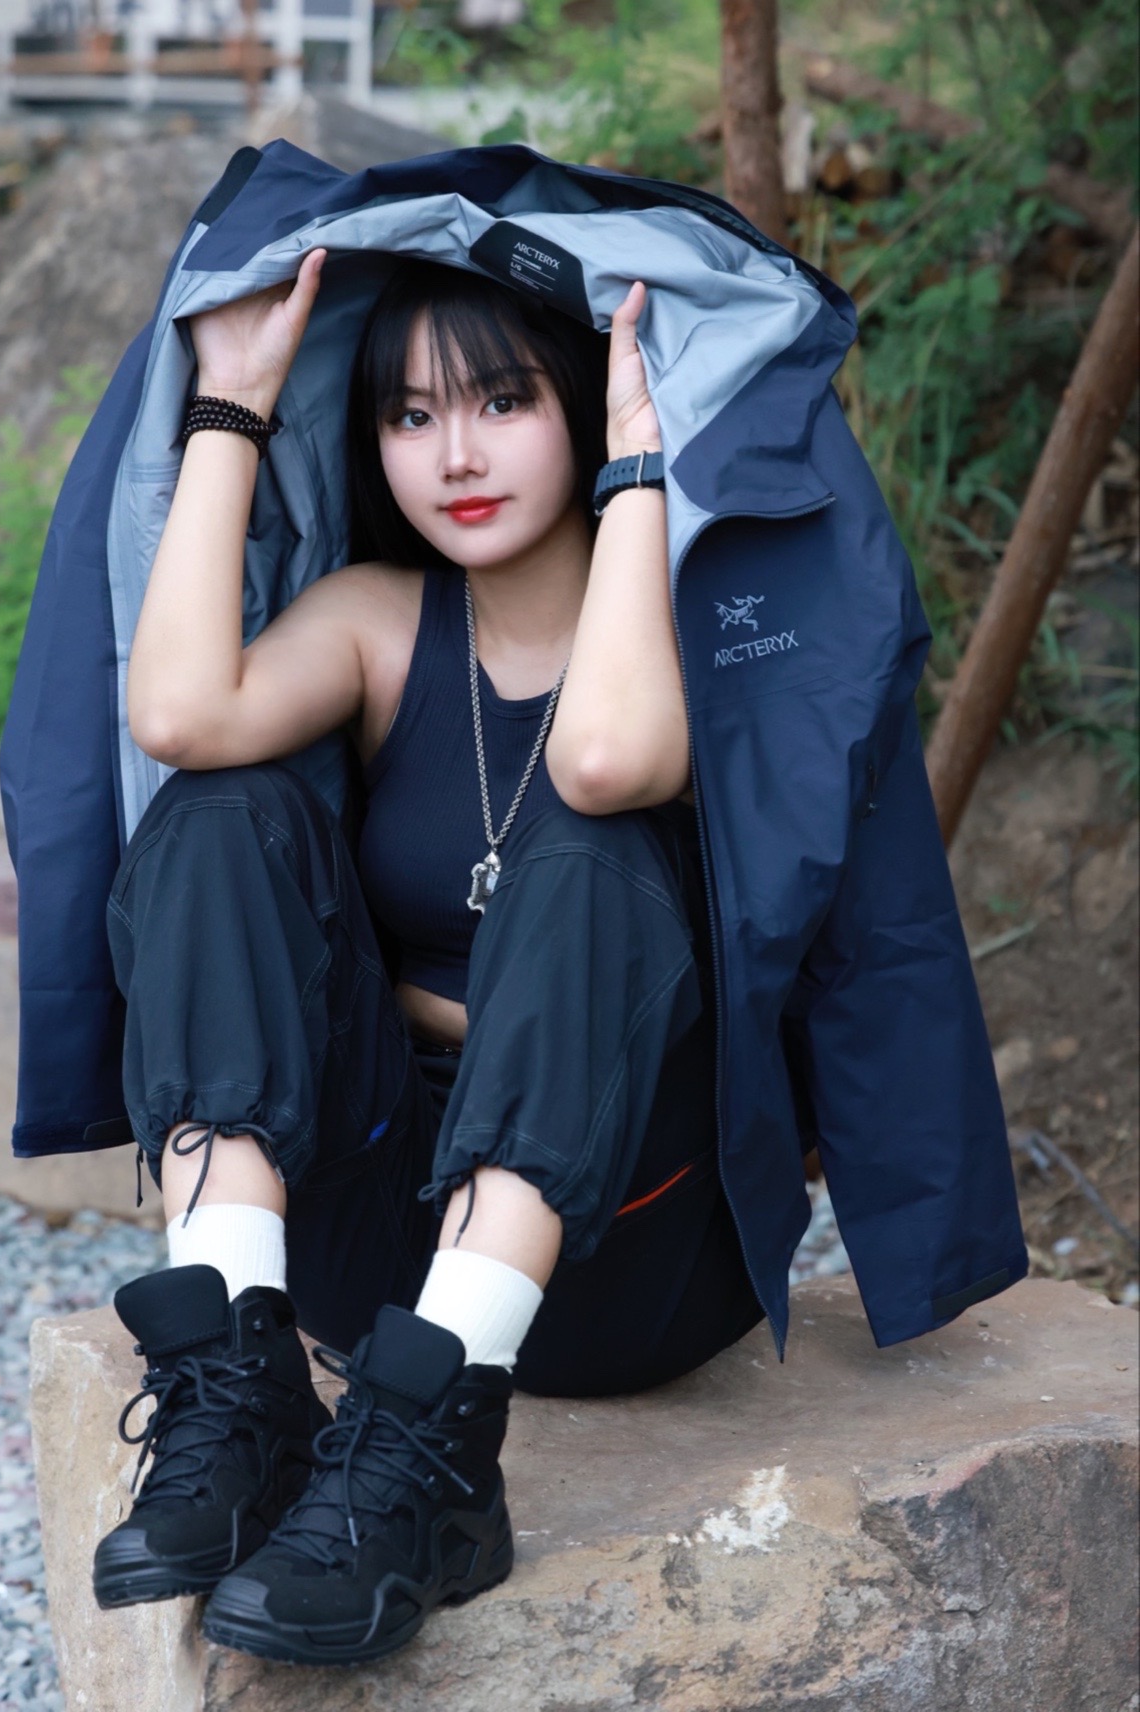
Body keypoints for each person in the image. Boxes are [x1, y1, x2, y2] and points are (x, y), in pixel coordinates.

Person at [91, 245, 765, 1665]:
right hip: (377, 1253)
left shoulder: (686, 632)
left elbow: (604, 759)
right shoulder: (379, 623)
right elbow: (178, 714)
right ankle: (240, 1377)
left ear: (582, 405)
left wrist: (641, 466)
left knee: (588, 850)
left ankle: (434, 1458)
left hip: (613, 1254)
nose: (455, 454)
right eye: (410, 414)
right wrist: (232, 402)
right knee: (220, 810)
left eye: (504, 401)